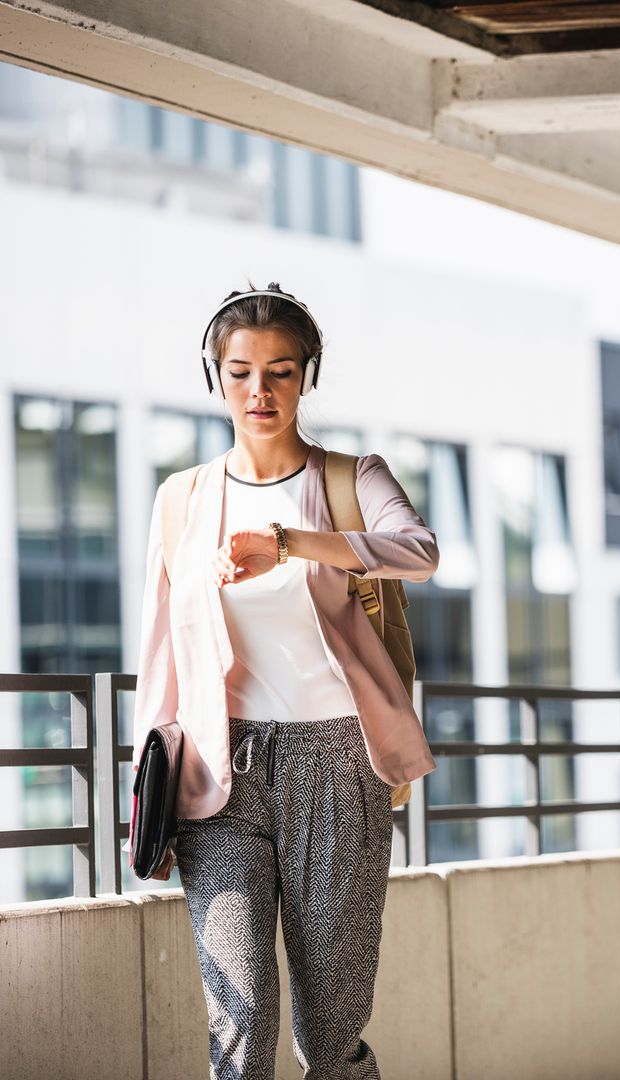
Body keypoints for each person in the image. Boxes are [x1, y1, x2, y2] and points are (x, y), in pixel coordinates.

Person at [130, 281, 439, 1080]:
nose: (258, 391)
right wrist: (145, 795)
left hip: (338, 762)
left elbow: (420, 550)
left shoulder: (348, 478)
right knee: (239, 1023)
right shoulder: (182, 500)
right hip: (216, 776)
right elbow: (160, 653)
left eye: (279, 371)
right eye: (239, 372)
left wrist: (293, 543)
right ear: (215, 377)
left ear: (307, 376)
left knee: (328, 1033)